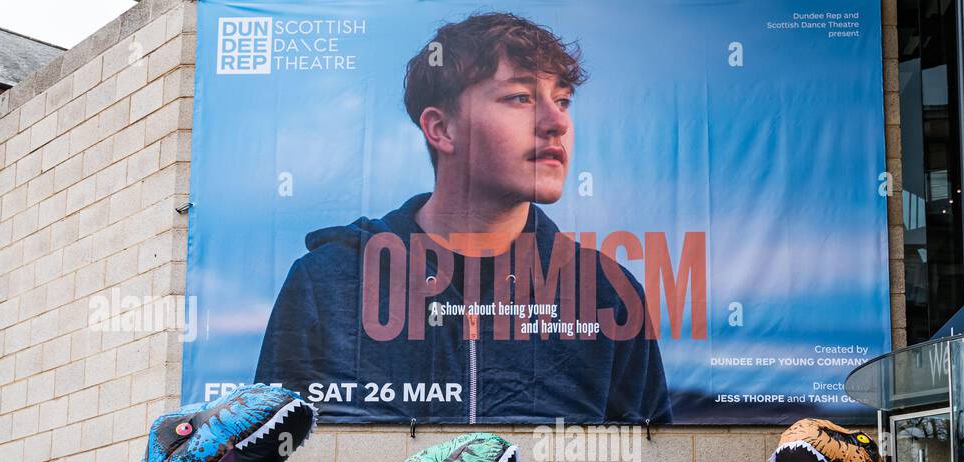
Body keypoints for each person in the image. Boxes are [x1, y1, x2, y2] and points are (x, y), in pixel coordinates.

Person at [254, 11, 671, 425]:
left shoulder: (606, 295)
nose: (557, 122)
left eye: (562, 101)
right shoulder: (328, 282)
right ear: (441, 129)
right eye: (521, 98)